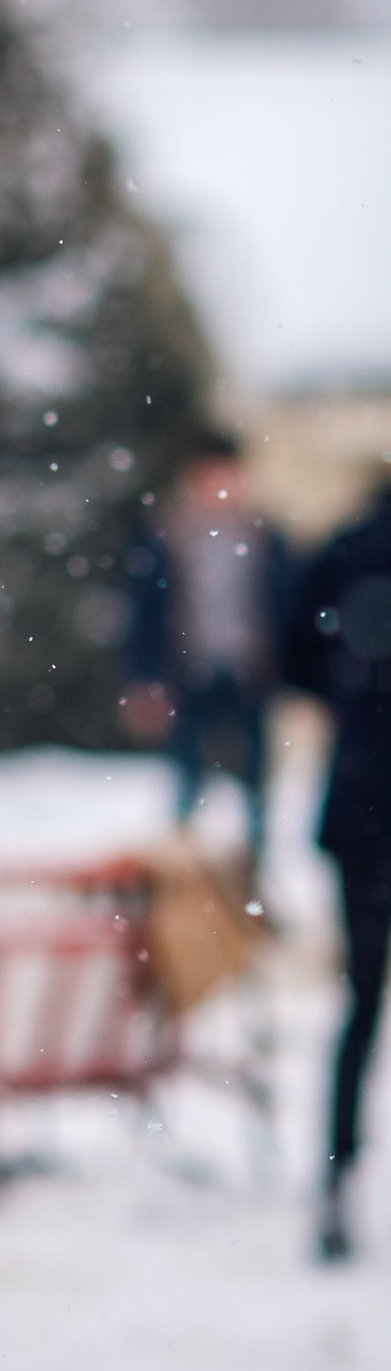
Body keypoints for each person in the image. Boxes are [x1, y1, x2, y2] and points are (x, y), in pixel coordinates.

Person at [282, 461, 391, 1261]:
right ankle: (335, 1181)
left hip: (362, 802)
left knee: (361, 1002)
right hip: (365, 802)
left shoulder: (344, 549)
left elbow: (296, 663)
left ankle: (335, 1179)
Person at [121, 433, 294, 861]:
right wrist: (143, 680)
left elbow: (289, 609)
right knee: (186, 784)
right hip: (187, 673)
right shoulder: (167, 537)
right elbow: (142, 612)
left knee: (255, 789)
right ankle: (184, 882)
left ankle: (252, 881)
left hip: (249, 673)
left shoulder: (266, 538)